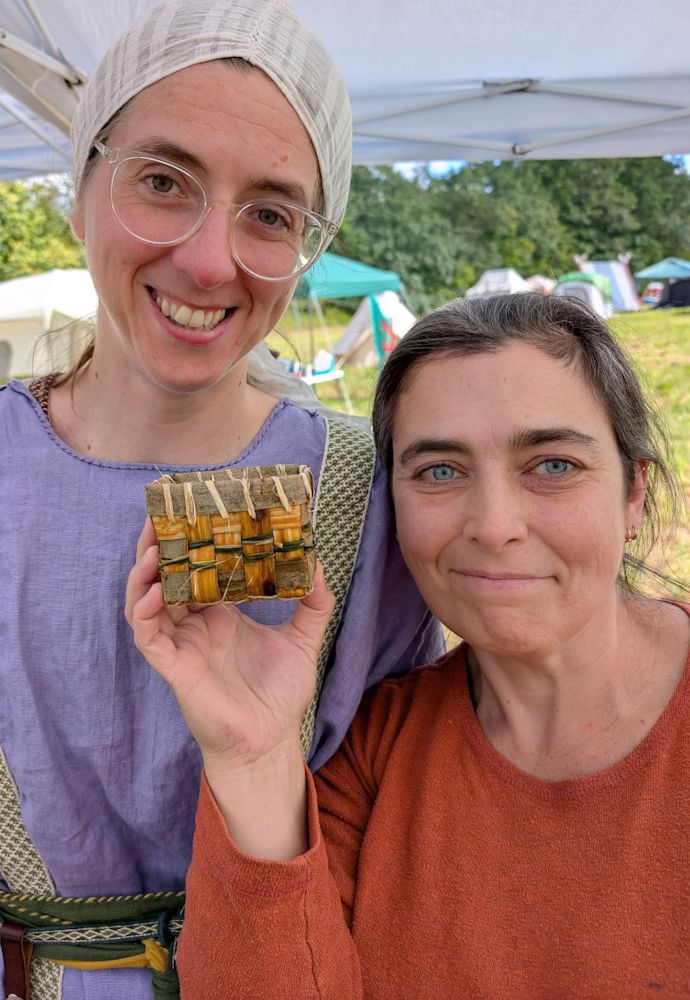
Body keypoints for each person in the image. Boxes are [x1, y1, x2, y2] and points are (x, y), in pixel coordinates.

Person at [0, 2, 441, 997]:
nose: (208, 261)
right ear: (79, 189)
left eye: (271, 214)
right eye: (163, 182)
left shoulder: (367, 496)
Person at [127, 292, 690, 999]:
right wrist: (254, 756)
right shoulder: (370, 757)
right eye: (439, 471)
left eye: (552, 465)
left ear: (635, 493)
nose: (493, 525)